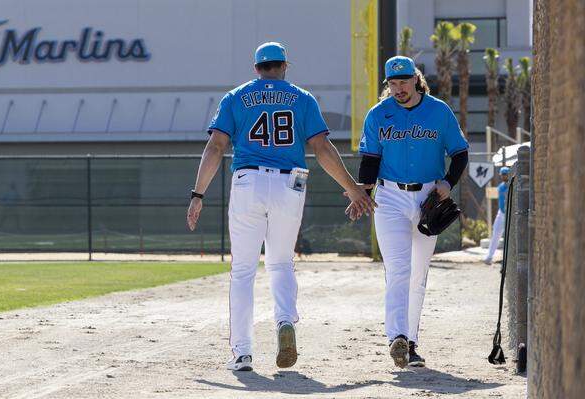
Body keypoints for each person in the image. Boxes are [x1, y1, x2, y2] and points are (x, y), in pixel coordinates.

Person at [186, 42, 373, 372]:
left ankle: (242, 352)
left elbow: (216, 146)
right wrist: (352, 188)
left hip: (248, 181)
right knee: (281, 262)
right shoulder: (302, 98)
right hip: (291, 183)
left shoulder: (236, 97)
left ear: (256, 68)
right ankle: (285, 320)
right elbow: (322, 148)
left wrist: (198, 194)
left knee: (243, 270)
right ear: (285, 66)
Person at [354, 56, 469, 368]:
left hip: (429, 197)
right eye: (392, 83)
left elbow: (459, 153)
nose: (398, 88)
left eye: (403, 81)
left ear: (416, 80)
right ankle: (397, 337)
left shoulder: (438, 110)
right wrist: (362, 194)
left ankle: (412, 341)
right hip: (390, 196)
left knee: (417, 274)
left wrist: (448, 183)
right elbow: (369, 160)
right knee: (398, 269)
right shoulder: (378, 114)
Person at [484, 167, 510, 264]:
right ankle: (489, 257)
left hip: (510, 214)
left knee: (508, 236)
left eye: (505, 174)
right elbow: (491, 194)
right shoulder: (501, 186)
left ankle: (507, 259)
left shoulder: (511, 186)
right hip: (501, 213)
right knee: (495, 234)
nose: (503, 176)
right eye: (502, 174)